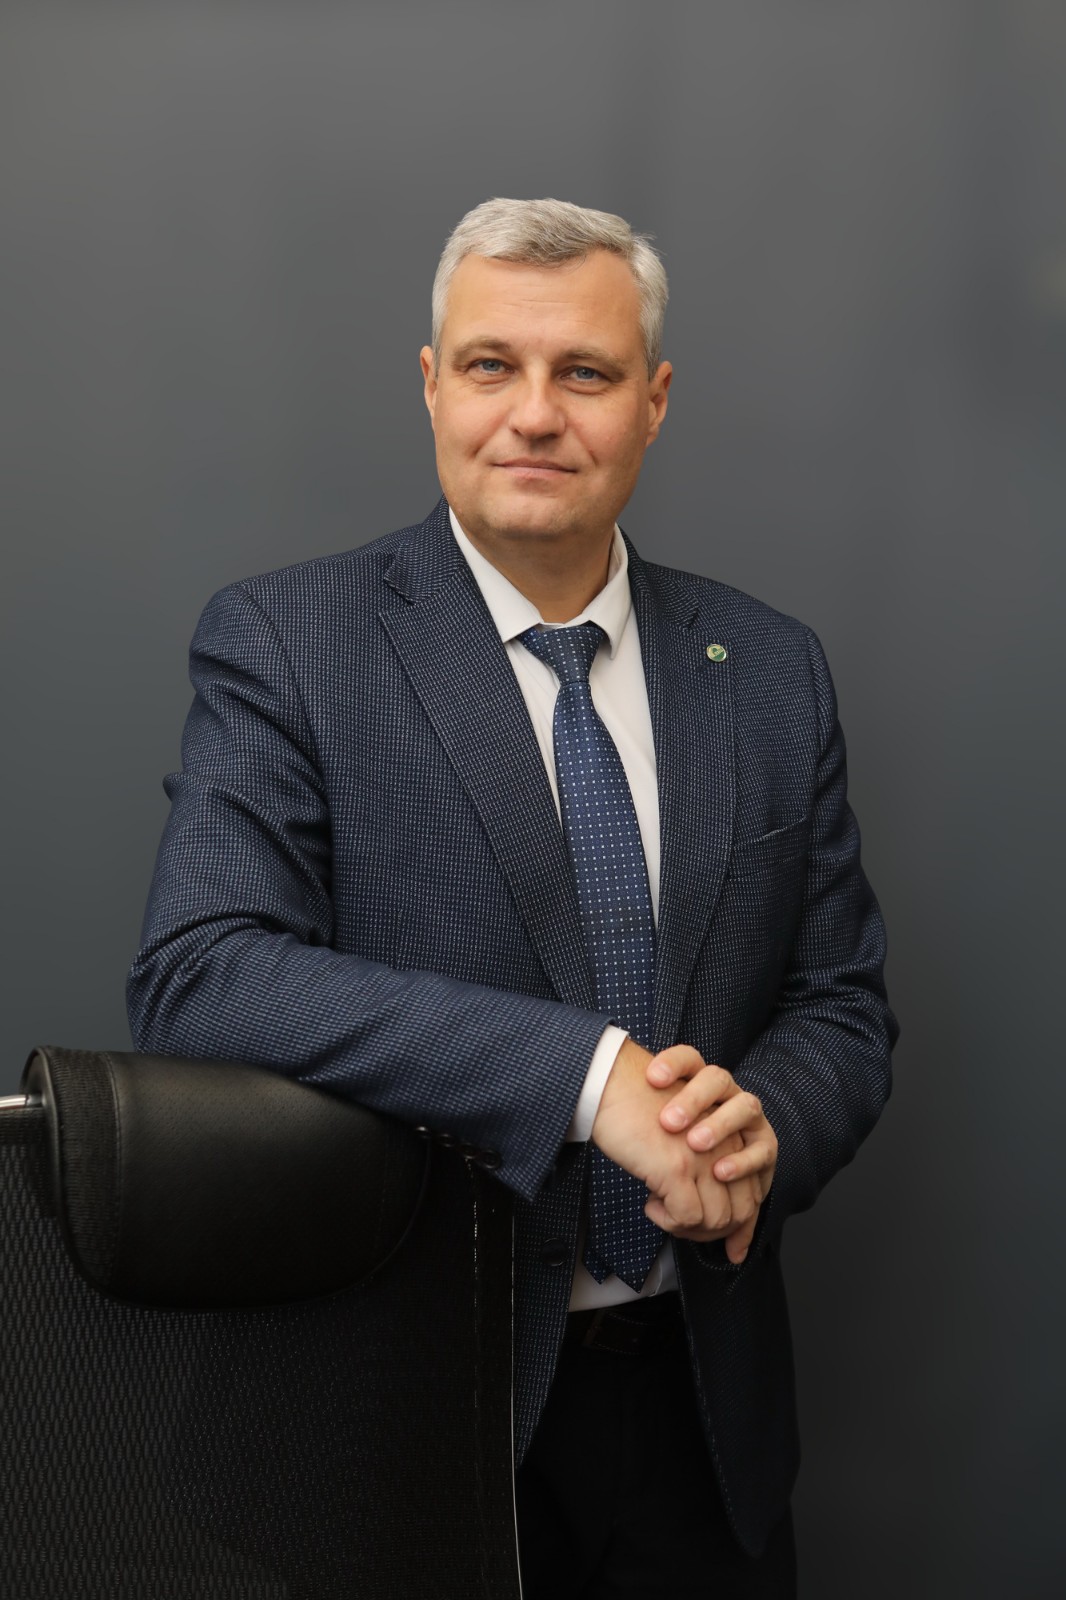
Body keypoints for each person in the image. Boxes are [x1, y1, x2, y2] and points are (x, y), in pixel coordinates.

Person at [128, 196, 896, 1598]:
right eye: (492, 365)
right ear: (433, 384)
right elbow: (204, 970)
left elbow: (838, 1003)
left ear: (653, 402)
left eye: (584, 372)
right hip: (403, 1417)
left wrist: (764, 1130)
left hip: (702, 1421)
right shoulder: (288, 644)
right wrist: (590, 1081)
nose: (534, 414)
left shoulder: (772, 667)